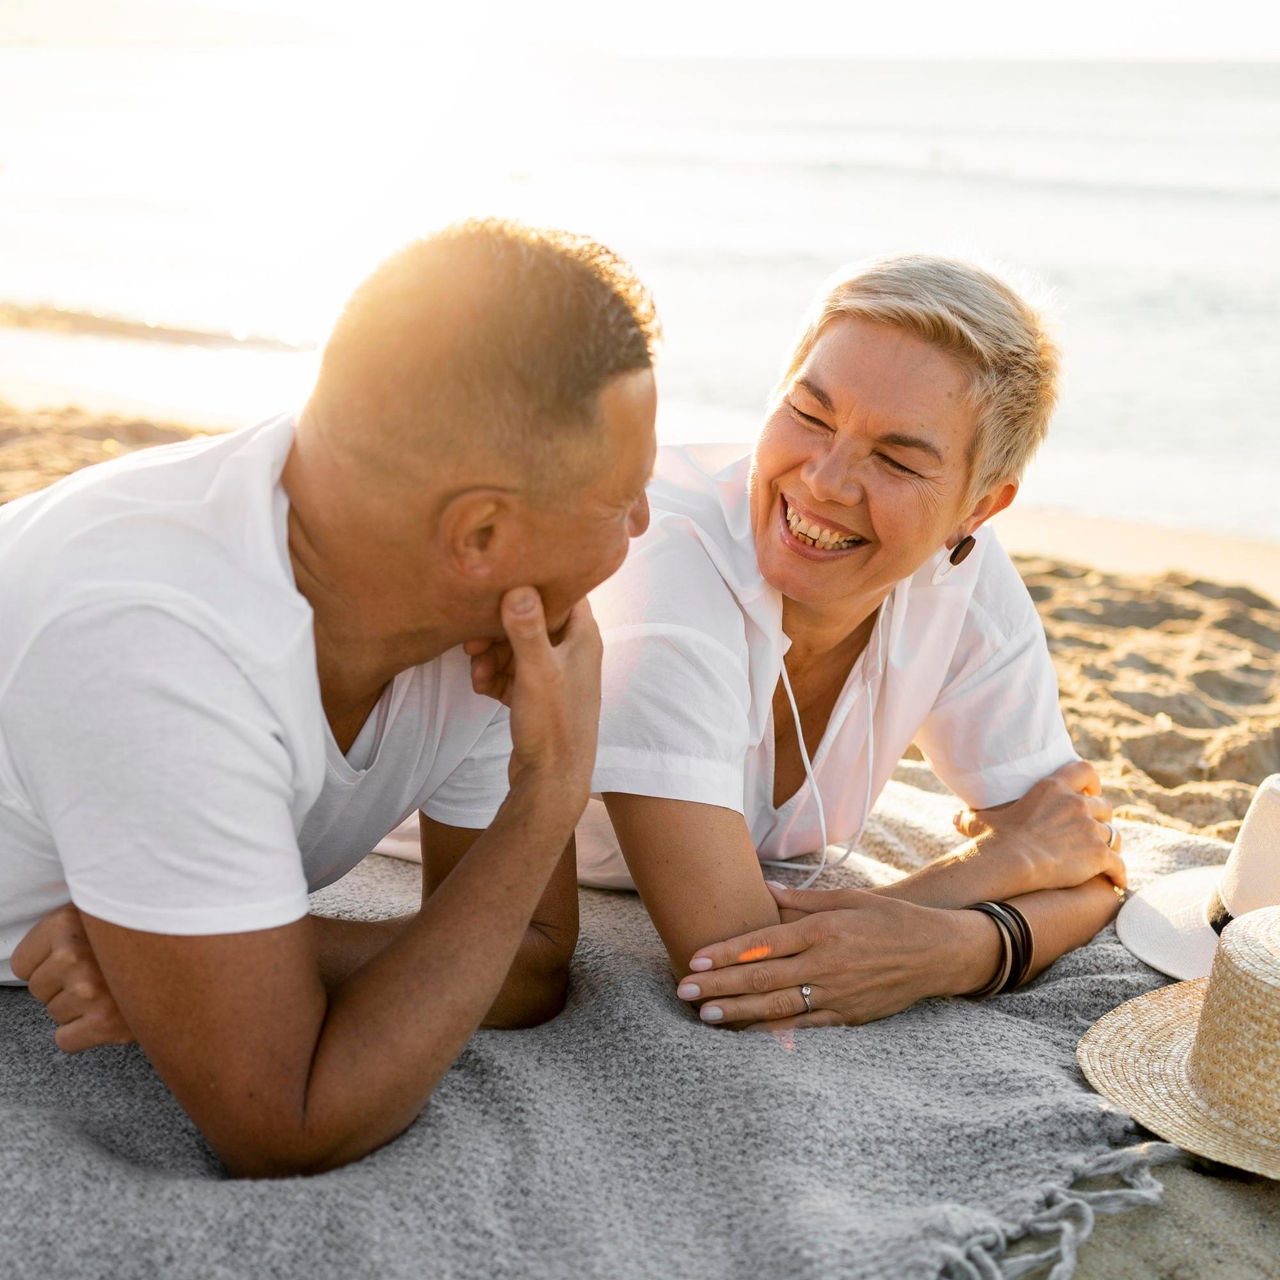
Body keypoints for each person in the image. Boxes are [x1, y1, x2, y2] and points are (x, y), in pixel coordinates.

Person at [0, 220, 659, 1176]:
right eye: (623, 496)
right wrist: (551, 788)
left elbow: (525, 961)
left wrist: (205, 964)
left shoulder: (484, 623)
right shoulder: (153, 641)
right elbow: (289, 1123)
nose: (644, 520)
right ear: (478, 535)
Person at [574, 254, 1126, 1030]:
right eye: (808, 414)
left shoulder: (958, 575)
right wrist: (993, 878)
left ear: (979, 506)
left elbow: (1089, 857)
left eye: (896, 459)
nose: (826, 480)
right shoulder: (668, 560)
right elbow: (733, 959)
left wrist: (961, 942)